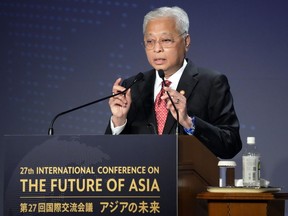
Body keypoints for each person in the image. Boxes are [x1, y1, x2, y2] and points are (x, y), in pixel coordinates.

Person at [105, 6, 242, 159]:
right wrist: (119, 121)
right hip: (143, 181)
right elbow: (110, 154)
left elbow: (231, 144)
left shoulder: (211, 83)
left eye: (166, 40)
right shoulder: (133, 86)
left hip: (189, 181)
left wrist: (189, 123)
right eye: (149, 41)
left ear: (186, 41)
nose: (157, 49)